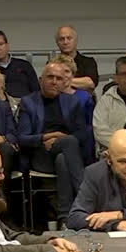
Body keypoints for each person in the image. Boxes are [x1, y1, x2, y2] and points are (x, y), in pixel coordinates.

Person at [16, 59, 93, 224]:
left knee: (63, 159)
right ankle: (87, 198)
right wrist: (46, 137)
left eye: (59, 78)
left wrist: (60, 138)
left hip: (67, 155)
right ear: (41, 80)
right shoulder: (28, 102)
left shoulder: (72, 102)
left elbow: (83, 133)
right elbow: (22, 138)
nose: (54, 82)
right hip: (41, 156)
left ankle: (64, 218)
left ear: (64, 82)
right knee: (69, 143)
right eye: (50, 77)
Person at [0, 30, 40, 98]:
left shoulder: (24, 65)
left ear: (7, 45)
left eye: (0, 44)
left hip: (25, 103)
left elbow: (36, 91)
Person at [54, 25, 98, 94]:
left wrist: (60, 82)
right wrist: (78, 82)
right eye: (62, 39)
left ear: (76, 40)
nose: (65, 42)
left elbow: (90, 83)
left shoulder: (88, 62)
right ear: (57, 42)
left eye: (69, 38)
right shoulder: (52, 64)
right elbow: (48, 84)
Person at [54, 54, 94, 125]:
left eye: (67, 71)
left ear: (73, 74)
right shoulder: (50, 96)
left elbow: (89, 124)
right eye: (60, 71)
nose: (64, 75)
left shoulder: (84, 97)